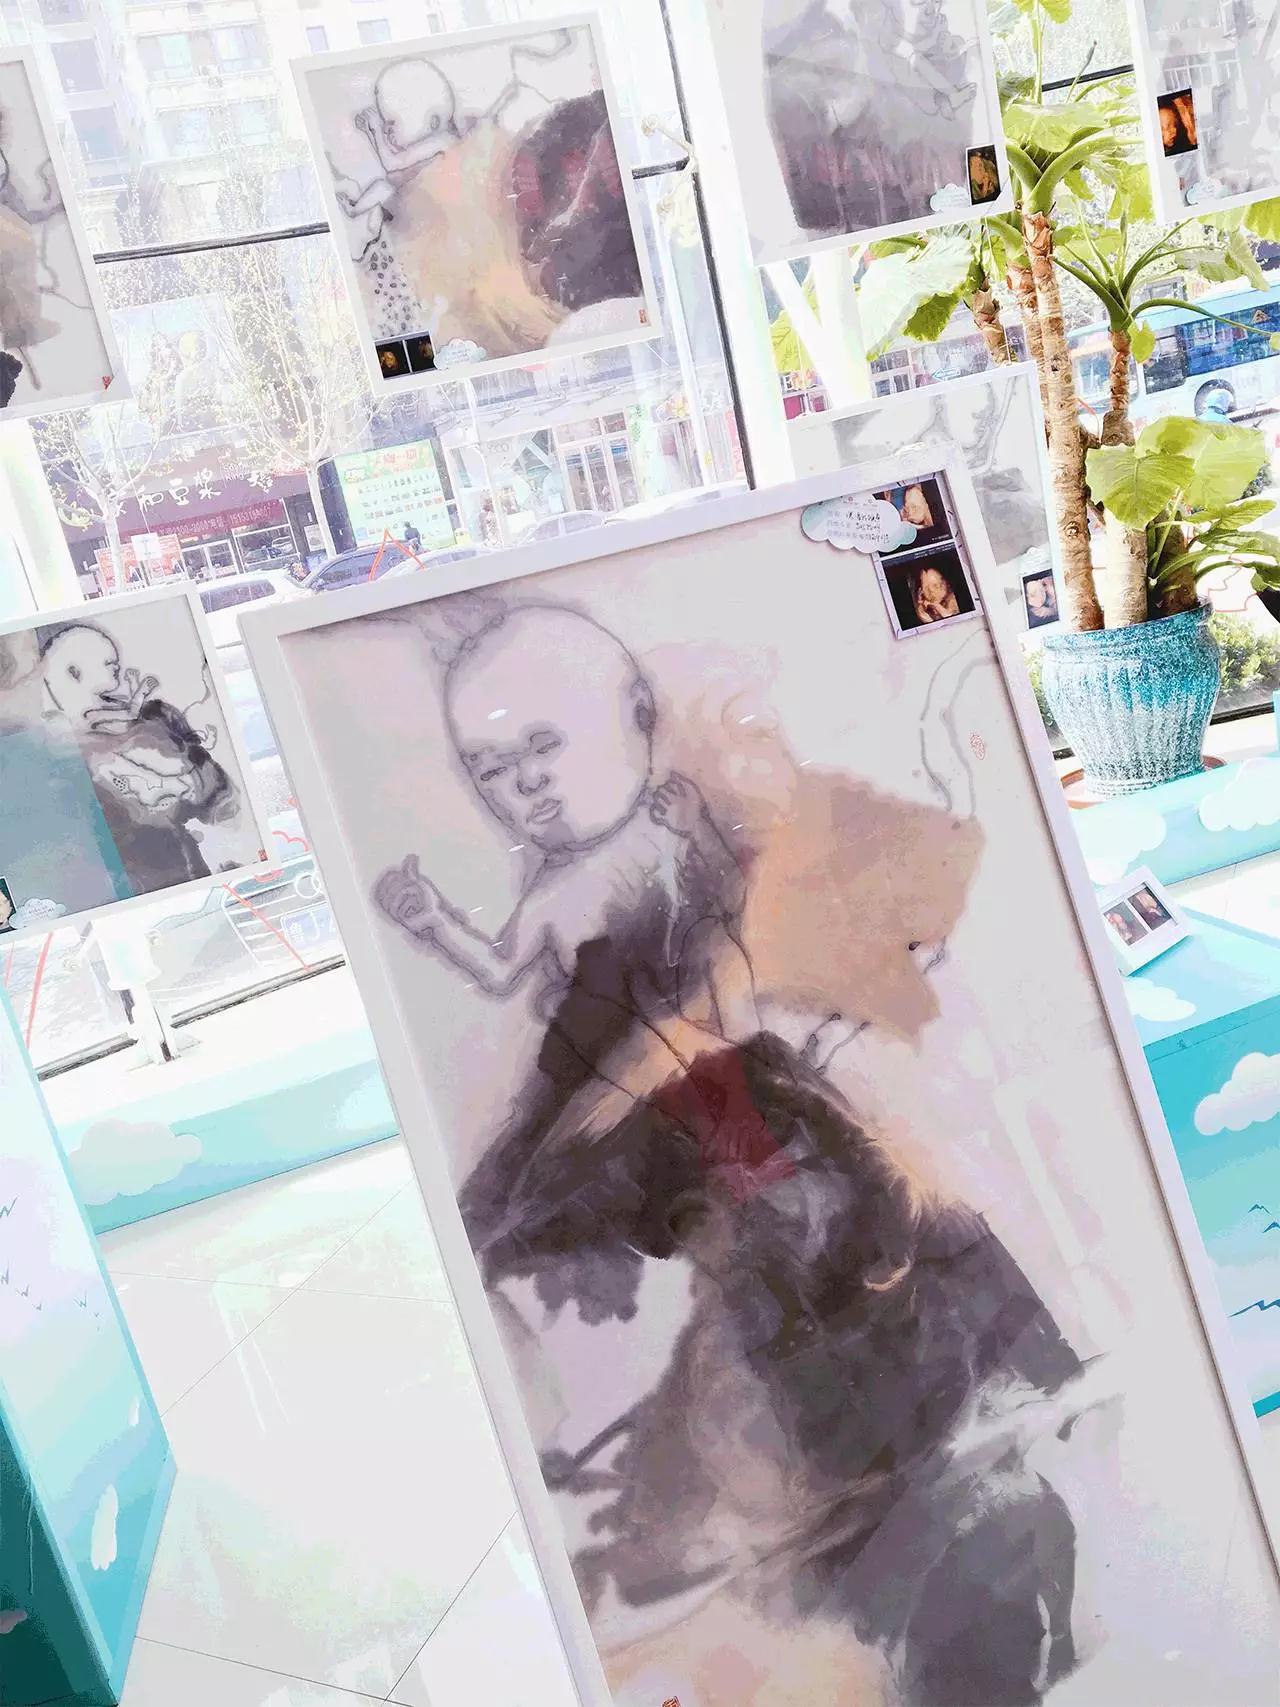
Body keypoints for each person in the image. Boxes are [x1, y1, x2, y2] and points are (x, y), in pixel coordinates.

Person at [374, 595, 1090, 1702]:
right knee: (754, 1263)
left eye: (542, 747)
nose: (524, 786)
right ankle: (824, 1480)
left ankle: (908, 1454)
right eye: (492, 770)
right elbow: (508, 971)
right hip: (653, 1123)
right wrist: (430, 924)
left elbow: (739, 935)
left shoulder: (673, 835)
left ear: (634, 719)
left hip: (734, 1090)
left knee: (835, 1230)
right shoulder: (560, 889)